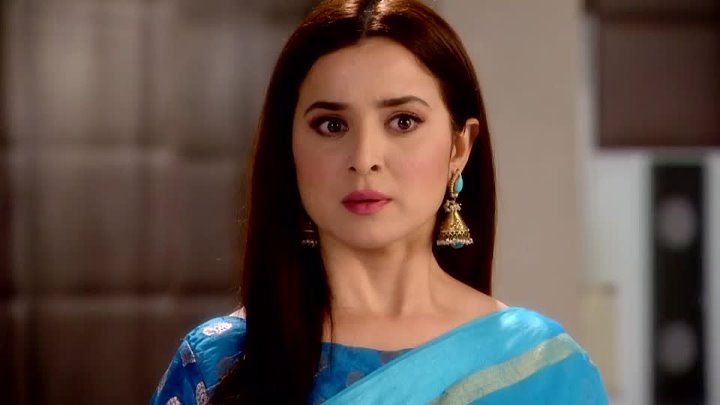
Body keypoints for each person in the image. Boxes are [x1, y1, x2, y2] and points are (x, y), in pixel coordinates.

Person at [150, 0, 608, 404]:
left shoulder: (541, 370)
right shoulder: (219, 364)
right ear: (288, 149)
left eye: (403, 121)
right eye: (331, 125)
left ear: (459, 147)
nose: (365, 158)